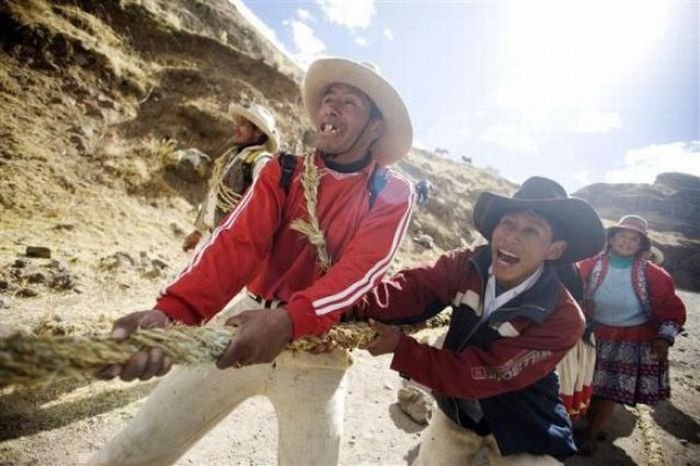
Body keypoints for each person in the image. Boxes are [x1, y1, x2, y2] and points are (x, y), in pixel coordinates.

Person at [89, 57, 414, 466]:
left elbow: (361, 272)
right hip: (244, 324)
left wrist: (289, 321)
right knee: (134, 449)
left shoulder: (392, 191)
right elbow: (235, 244)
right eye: (328, 98)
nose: (330, 107)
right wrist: (173, 312)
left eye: (349, 103)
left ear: (376, 127)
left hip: (320, 352)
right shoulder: (283, 171)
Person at [352, 176, 606, 465]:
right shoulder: (466, 263)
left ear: (555, 250)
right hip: (459, 412)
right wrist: (349, 303)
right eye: (507, 223)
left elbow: (489, 372)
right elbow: (414, 289)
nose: (511, 237)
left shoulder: (565, 318)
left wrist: (402, 348)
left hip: (524, 425)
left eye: (531, 231)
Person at [576, 214, 686, 455]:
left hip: (629, 338)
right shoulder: (589, 264)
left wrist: (664, 337)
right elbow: (570, 290)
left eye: (633, 239)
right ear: (612, 238)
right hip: (591, 333)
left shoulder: (654, 274)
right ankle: (588, 424)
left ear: (641, 245)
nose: (626, 242)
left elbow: (671, 307)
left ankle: (592, 434)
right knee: (585, 383)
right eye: (622, 236)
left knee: (609, 390)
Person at [182, 102, 280, 252]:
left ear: (258, 132)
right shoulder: (234, 156)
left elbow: (264, 208)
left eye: (243, 125)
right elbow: (215, 193)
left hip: (230, 245)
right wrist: (198, 232)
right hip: (212, 238)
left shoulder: (261, 161)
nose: (236, 127)